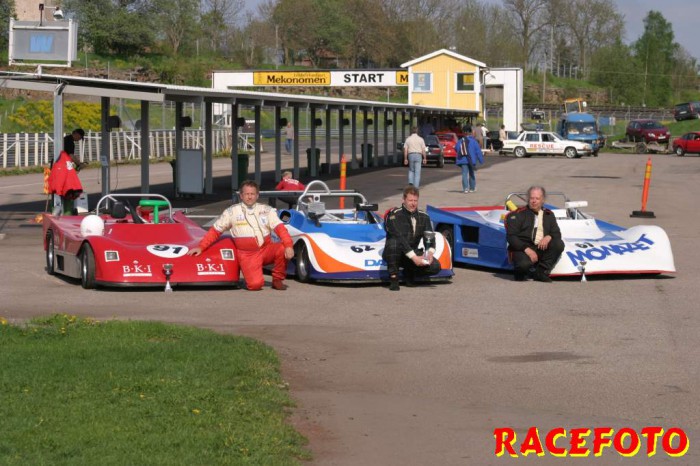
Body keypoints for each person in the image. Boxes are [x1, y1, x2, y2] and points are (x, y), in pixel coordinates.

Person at [187, 180, 294, 291]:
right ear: (241, 196)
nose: (249, 197)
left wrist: (288, 245)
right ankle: (246, 275)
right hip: (247, 254)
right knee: (255, 285)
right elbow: (215, 231)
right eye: (247, 194)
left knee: (283, 248)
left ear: (257, 195)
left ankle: (277, 279)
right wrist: (201, 247)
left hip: (266, 249)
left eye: (252, 194)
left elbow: (281, 229)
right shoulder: (231, 212)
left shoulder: (267, 210)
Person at [382, 185, 441, 291]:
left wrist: (429, 254)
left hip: (412, 253)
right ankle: (394, 278)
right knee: (394, 243)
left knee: (436, 266)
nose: (413, 203)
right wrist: (414, 258)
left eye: (415, 200)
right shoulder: (394, 215)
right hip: (395, 253)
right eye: (410, 200)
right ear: (404, 200)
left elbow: (430, 239)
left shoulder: (424, 216)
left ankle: (409, 272)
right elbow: (400, 239)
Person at [505, 186, 565, 283]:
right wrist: (527, 250)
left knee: (558, 243)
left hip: (540, 247)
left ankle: (541, 272)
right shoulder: (517, 214)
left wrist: (548, 237)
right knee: (523, 266)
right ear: (528, 199)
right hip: (522, 248)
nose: (534, 201)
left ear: (543, 200)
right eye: (532, 198)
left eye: (537, 198)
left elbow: (557, 233)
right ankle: (521, 270)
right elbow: (511, 237)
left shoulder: (549, 214)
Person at [48, 150, 83, 215]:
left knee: (62, 205)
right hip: (71, 188)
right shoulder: (65, 161)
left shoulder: (62, 162)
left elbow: (59, 180)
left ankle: (62, 213)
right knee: (65, 204)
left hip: (67, 189)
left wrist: (57, 191)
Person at [454, 126, 484, 193]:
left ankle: (465, 188)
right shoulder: (473, 141)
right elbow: (478, 151)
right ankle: (472, 188)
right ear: (470, 132)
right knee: (471, 173)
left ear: (463, 132)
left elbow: (456, 148)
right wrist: (481, 160)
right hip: (471, 160)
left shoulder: (460, 141)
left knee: (464, 174)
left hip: (463, 160)